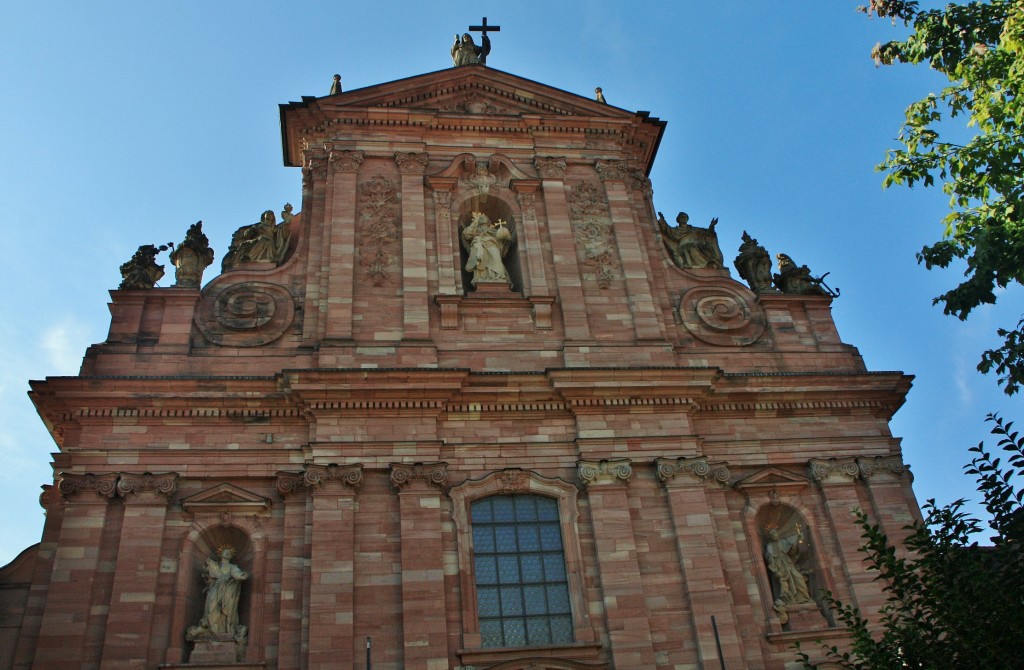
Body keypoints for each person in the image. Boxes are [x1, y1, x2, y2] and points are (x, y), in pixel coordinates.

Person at [199, 546, 248, 636]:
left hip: (227, 591)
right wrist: (207, 567)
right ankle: (211, 629)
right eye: (225, 552)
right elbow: (207, 575)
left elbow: (237, 574)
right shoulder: (215, 565)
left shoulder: (232, 567)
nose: (227, 553)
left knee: (226, 609)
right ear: (220, 554)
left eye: (229, 553)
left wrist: (242, 575)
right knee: (211, 607)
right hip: (215, 588)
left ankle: (224, 630)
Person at [658, 211, 724, 269]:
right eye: (682, 217)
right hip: (683, 249)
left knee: (693, 249)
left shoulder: (694, 229)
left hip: (694, 247)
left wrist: (712, 226)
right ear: (678, 220)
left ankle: (704, 265)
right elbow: (668, 230)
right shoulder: (676, 230)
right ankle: (693, 265)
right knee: (689, 249)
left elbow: (707, 233)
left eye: (685, 217)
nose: (684, 218)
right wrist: (663, 220)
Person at [461, 211, 512, 286]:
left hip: (493, 246)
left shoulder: (493, 230)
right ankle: (482, 278)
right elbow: (467, 235)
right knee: (481, 259)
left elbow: (502, 241)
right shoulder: (474, 228)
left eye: (485, 217)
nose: (483, 218)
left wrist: (506, 237)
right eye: (481, 218)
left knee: (497, 262)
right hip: (480, 246)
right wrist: (474, 223)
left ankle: (499, 277)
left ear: (489, 221)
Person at [764, 526, 811, 605]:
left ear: (778, 533)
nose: (773, 535)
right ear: (770, 537)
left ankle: (804, 598)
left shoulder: (784, 541)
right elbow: (770, 559)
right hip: (780, 566)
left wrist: (798, 539)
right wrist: (776, 571)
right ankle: (790, 600)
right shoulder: (770, 546)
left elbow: (792, 551)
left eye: (774, 533)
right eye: (771, 534)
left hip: (789, 563)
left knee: (798, 578)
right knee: (786, 584)